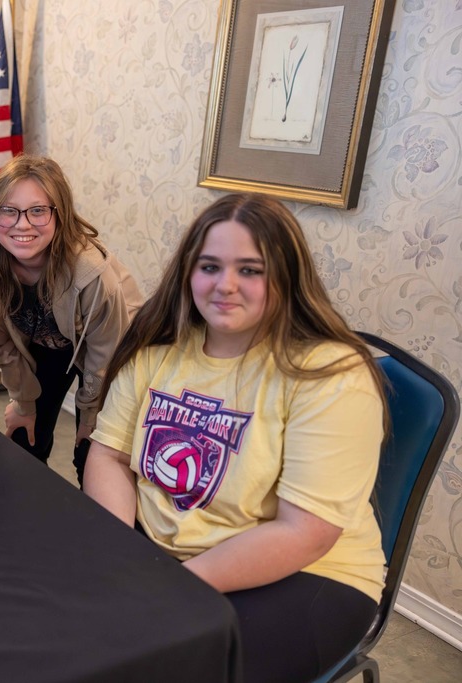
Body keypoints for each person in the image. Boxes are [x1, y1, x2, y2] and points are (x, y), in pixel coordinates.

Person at [84, 193, 386, 683]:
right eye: (210, 266)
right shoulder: (158, 350)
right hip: (164, 557)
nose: (225, 285)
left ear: (287, 277)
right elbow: (110, 457)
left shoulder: (332, 374)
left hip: (308, 574)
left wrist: (173, 588)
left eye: (250, 269)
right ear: (188, 272)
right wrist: (123, 556)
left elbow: (304, 532)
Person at [0, 155, 143, 483]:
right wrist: (23, 401)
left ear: (61, 215)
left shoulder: (91, 275)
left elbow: (104, 357)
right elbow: (3, 347)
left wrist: (91, 417)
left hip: (112, 353)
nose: (22, 224)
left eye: (38, 210)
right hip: (46, 345)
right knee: (22, 441)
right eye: (9, 210)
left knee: (91, 455)